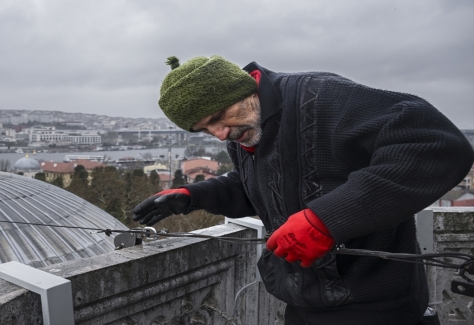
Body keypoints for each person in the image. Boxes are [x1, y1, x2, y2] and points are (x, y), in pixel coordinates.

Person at [132, 55, 474, 325]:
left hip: (374, 304)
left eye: (220, 115)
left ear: (247, 84)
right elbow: (258, 186)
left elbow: (436, 145)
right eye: (205, 129)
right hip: (301, 301)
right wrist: (194, 197)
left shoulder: (322, 96)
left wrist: (325, 220)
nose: (220, 134)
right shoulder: (247, 129)